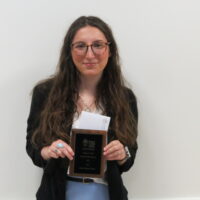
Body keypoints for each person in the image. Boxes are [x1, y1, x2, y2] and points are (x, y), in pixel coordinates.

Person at [26, 16, 138, 200]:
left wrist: (122, 153)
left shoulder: (125, 98)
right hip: (57, 193)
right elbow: (33, 148)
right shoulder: (44, 93)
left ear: (110, 50)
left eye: (98, 45)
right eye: (80, 46)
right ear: (69, 51)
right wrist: (48, 151)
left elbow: (129, 157)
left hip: (108, 193)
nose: (90, 54)